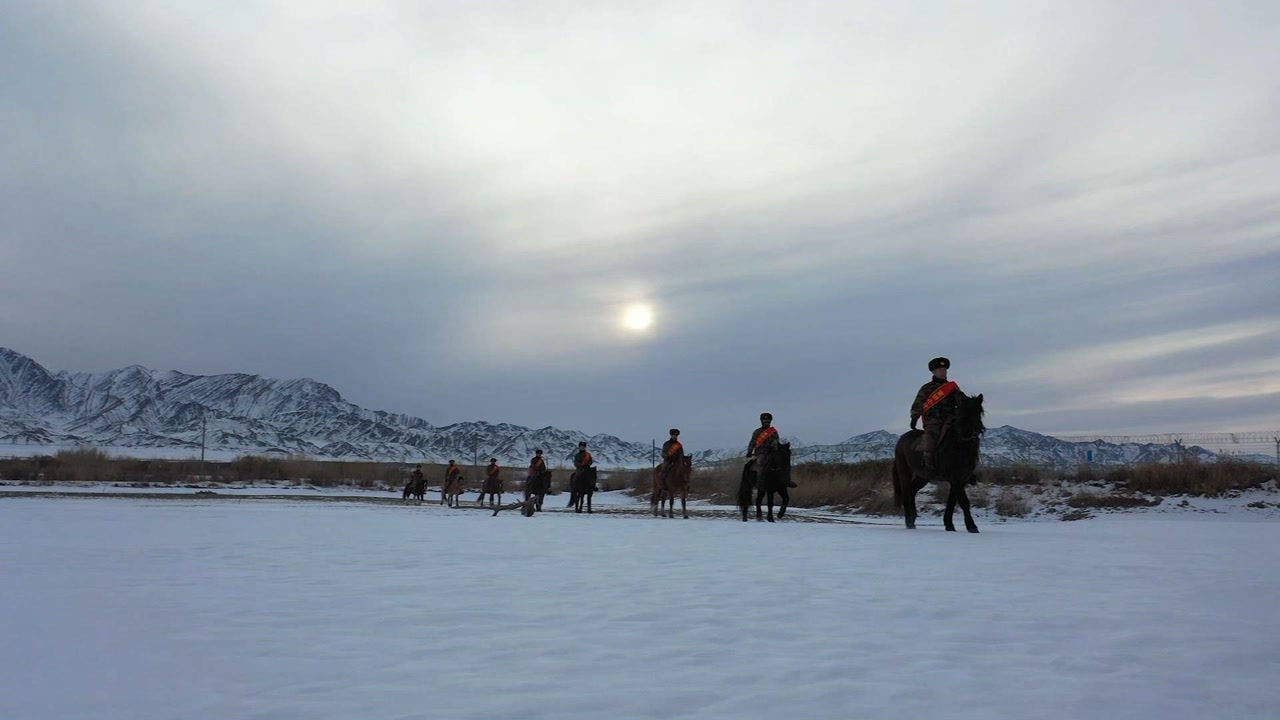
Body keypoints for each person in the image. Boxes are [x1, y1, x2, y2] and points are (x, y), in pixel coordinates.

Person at [910, 357, 960, 476]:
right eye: (939, 369)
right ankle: (928, 461)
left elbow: (960, 402)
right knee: (931, 436)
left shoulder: (952, 387)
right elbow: (919, 403)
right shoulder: (926, 388)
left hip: (951, 419)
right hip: (934, 420)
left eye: (944, 369)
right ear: (933, 372)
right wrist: (914, 417)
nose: (943, 372)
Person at [746, 412, 780, 486]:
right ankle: (760, 483)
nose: (766, 423)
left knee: (783, 461)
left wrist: (774, 448)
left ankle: (786, 480)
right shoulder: (757, 432)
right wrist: (749, 452)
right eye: (765, 421)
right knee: (760, 464)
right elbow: (752, 442)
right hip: (761, 452)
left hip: (773, 451)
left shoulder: (773, 432)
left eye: (768, 421)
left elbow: (776, 441)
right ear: (761, 421)